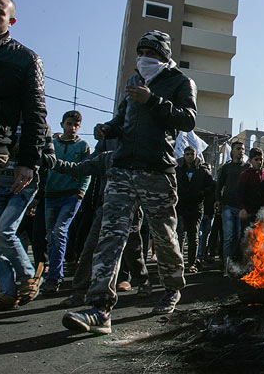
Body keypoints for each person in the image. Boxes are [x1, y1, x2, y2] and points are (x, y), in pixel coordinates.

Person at [63, 30, 197, 334]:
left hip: (157, 170)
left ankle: (172, 286)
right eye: (141, 54)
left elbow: (188, 120)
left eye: (151, 54)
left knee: (164, 235)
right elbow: (122, 119)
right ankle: (100, 308)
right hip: (123, 170)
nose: (144, 59)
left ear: (163, 57)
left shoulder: (180, 82)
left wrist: (153, 101)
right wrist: (106, 129)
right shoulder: (133, 82)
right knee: (110, 235)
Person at [0, 0, 47, 316]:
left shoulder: (25, 59)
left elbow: (36, 114)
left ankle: (15, 282)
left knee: (3, 232)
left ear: (10, 20)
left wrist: (29, 162)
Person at [56, 147, 151, 308]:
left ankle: (143, 280)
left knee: (132, 249)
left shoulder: (139, 158)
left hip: (131, 211)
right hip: (105, 210)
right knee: (90, 247)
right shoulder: (106, 158)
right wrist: (54, 163)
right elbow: (80, 168)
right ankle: (79, 291)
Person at [0, 126, 56, 310]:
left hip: (24, 186)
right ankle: (8, 292)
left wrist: (27, 152)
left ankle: (28, 275)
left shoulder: (39, 124)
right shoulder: (2, 121)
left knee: (4, 233)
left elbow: (51, 159)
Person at [42, 110, 91, 294]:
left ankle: (54, 277)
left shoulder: (83, 146)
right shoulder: (52, 144)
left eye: (76, 125)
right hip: (51, 193)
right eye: (69, 124)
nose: (72, 128)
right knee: (50, 234)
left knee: (59, 231)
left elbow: (86, 170)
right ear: (62, 124)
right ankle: (54, 271)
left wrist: (81, 192)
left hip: (71, 194)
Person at [175, 146, 215, 273]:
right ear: (184, 155)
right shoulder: (178, 170)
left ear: (196, 155)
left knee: (193, 236)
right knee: (179, 236)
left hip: (196, 208)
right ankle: (178, 263)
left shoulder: (202, 171)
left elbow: (212, 186)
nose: (190, 157)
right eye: (187, 154)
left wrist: (201, 193)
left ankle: (191, 263)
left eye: (192, 154)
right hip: (181, 207)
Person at [215, 141, 249, 274]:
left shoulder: (247, 168)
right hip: (228, 206)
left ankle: (238, 266)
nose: (241, 151)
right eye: (238, 148)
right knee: (228, 237)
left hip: (242, 208)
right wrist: (218, 200)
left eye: (243, 149)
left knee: (240, 237)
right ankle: (227, 267)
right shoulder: (226, 168)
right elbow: (219, 185)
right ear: (232, 151)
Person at [237, 147, 264, 227]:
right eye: (256, 159)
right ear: (251, 160)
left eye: (261, 159)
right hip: (248, 212)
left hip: (262, 213)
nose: (259, 162)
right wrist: (242, 208)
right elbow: (239, 193)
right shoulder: (245, 175)